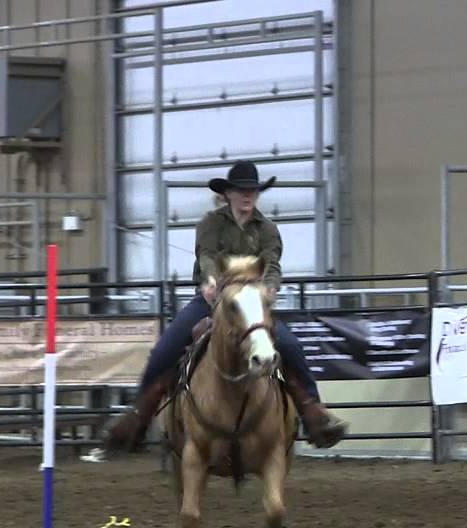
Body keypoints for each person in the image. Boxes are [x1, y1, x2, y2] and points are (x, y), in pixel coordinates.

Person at [101, 160, 348, 452]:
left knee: (291, 347)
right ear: (228, 193)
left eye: (252, 190)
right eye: (241, 190)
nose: (247, 195)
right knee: (165, 350)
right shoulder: (211, 223)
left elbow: (272, 263)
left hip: (252, 307)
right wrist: (210, 281)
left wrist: (270, 286)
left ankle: (313, 413)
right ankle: (137, 418)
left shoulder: (267, 229)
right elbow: (206, 255)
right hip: (211, 302)